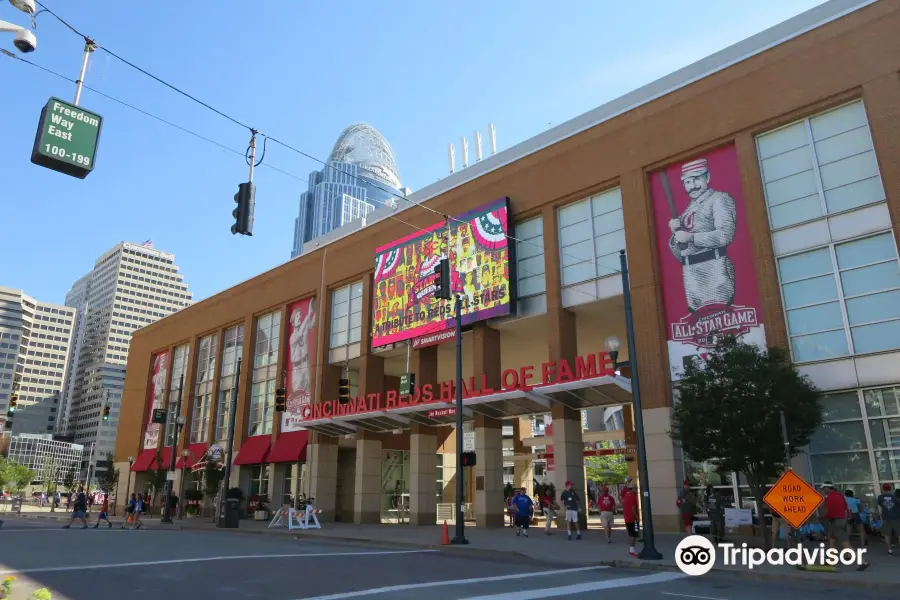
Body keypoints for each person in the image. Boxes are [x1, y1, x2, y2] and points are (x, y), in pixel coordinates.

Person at [665, 157, 737, 312]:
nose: (692, 186)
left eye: (696, 179)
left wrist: (691, 237)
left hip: (714, 271)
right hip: (691, 276)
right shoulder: (688, 211)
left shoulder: (719, 199)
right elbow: (681, 255)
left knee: (721, 323)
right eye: (687, 182)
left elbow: (725, 235)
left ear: (707, 177)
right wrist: (675, 236)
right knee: (699, 329)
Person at [821, 481, 869, 571]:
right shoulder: (840, 495)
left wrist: (823, 517)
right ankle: (831, 560)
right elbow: (846, 507)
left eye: (824, 488)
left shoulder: (830, 497)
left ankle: (862, 561)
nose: (823, 490)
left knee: (844, 542)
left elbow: (828, 511)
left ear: (828, 488)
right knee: (832, 540)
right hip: (841, 520)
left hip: (835, 521)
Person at [876, 483, 899, 555]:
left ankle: (889, 550)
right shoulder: (895, 498)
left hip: (885, 517)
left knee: (887, 534)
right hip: (896, 517)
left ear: (883, 489)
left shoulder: (880, 497)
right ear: (890, 488)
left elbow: (880, 505)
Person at [622, 481, 640, 558]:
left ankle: (631, 550)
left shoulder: (626, 495)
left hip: (627, 518)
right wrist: (637, 517)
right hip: (633, 519)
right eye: (636, 488)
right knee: (634, 534)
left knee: (630, 534)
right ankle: (632, 551)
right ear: (633, 488)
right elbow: (633, 508)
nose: (637, 490)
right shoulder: (632, 496)